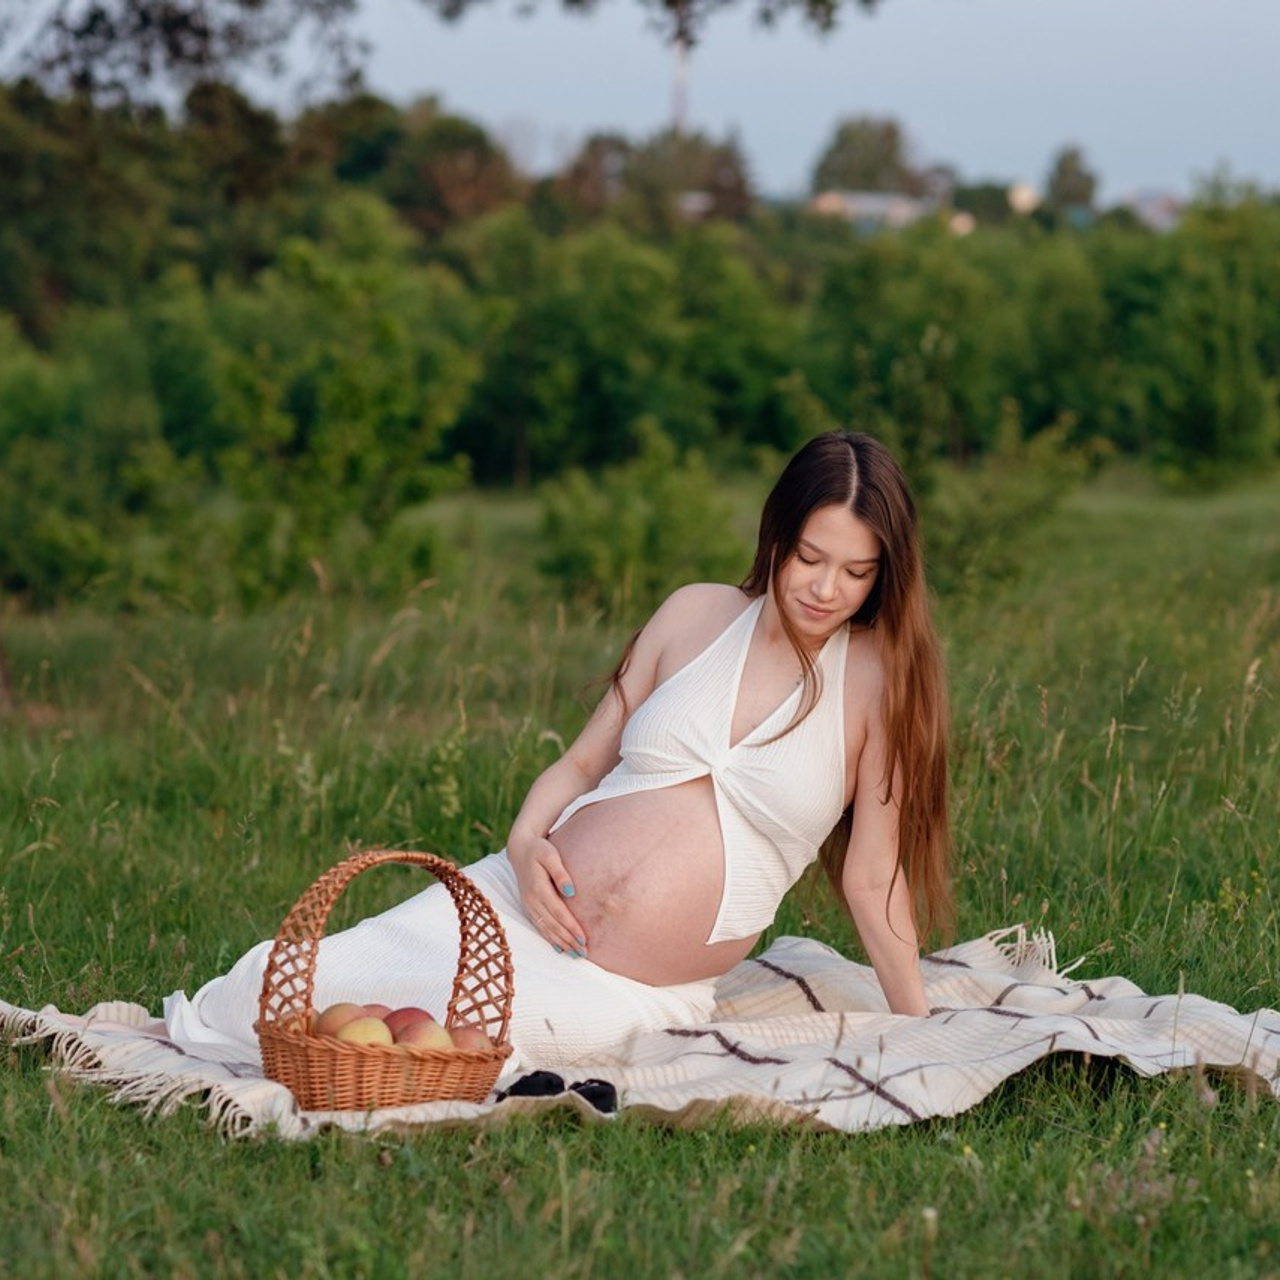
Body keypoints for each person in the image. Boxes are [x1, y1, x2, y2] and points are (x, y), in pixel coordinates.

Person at [164, 431, 951, 1071]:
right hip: (508, 902)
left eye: (856, 571)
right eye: (810, 558)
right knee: (256, 992)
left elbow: (871, 873)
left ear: (886, 574)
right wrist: (523, 838)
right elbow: (581, 765)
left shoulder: (882, 682)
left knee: (479, 1049)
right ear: (777, 535)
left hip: (631, 986)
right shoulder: (695, 614)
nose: (824, 588)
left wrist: (920, 1028)